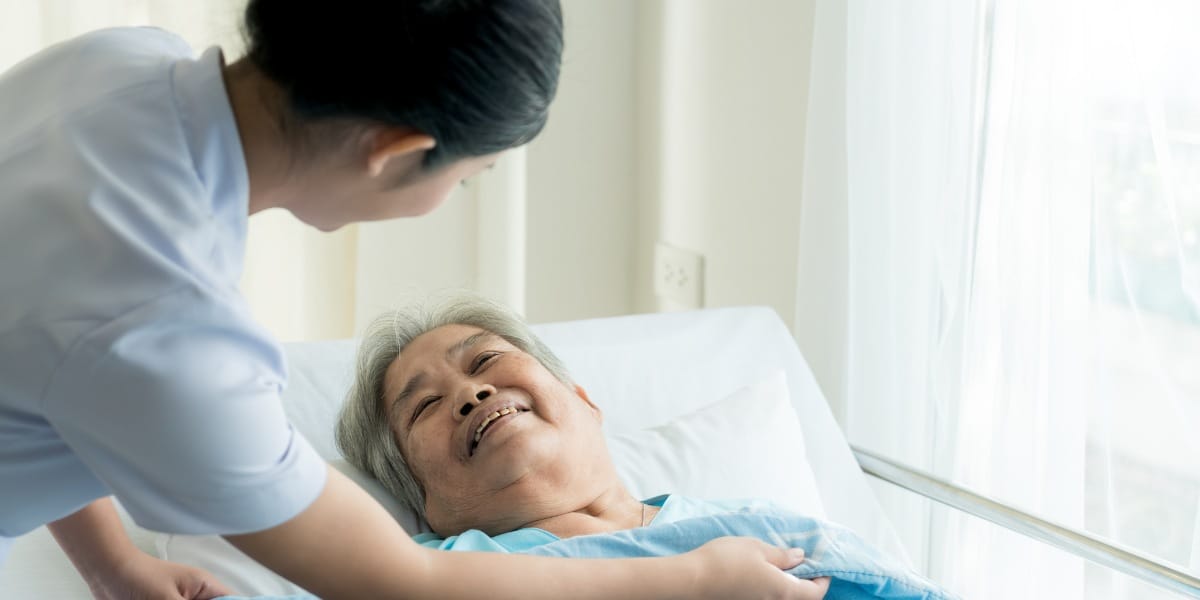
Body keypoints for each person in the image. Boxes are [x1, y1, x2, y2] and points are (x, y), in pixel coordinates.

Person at [0, 1, 816, 599]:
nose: (477, 393)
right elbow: (402, 582)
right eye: (471, 177)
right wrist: (696, 578)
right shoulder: (178, 339)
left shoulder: (117, 61)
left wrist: (115, 565)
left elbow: (52, 360)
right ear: (395, 153)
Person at [333, 295, 954, 600]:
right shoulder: (418, 570)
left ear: (583, 400)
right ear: (425, 500)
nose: (471, 393)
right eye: (426, 406)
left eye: (487, 360)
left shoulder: (761, 529)